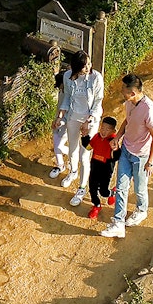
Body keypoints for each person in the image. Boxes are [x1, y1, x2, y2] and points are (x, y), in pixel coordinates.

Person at [101, 74, 153, 239]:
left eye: (124, 90)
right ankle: (118, 223)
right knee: (121, 187)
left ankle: (141, 210)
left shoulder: (149, 111)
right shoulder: (130, 102)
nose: (121, 92)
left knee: (139, 188)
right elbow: (127, 121)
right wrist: (118, 137)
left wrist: (151, 162)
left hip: (141, 156)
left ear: (133, 93)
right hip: (126, 151)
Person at [49, 50, 104, 207]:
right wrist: (60, 116)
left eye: (89, 63)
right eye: (85, 66)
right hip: (73, 118)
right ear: (76, 67)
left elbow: (98, 101)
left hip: (90, 123)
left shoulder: (96, 78)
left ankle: (81, 188)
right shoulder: (67, 77)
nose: (88, 67)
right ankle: (73, 172)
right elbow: (66, 97)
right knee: (72, 149)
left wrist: (89, 121)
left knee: (84, 155)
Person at [82, 116, 120, 220]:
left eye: (107, 129)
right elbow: (88, 147)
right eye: (102, 128)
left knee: (104, 192)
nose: (104, 131)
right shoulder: (97, 137)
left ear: (113, 130)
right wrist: (84, 135)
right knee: (92, 189)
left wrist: (115, 149)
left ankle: (112, 192)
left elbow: (116, 157)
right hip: (94, 167)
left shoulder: (113, 141)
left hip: (106, 170)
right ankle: (96, 205)